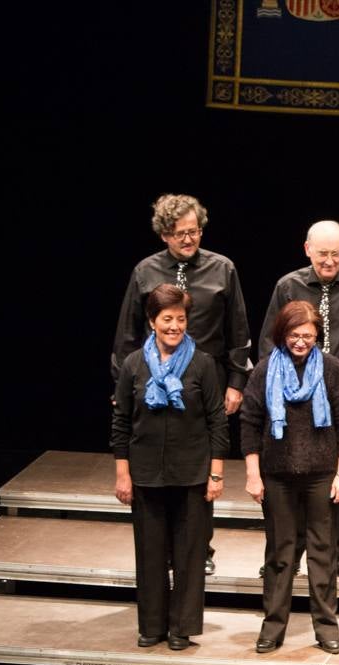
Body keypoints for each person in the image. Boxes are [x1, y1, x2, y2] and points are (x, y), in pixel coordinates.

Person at [112, 193, 252, 577]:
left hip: (203, 385)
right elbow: (127, 335)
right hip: (153, 384)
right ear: (163, 235)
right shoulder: (145, 271)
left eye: (193, 232)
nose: (187, 240)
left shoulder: (223, 269)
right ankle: (161, 549)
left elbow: (238, 332)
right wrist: (121, 386)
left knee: (200, 471)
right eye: (178, 235)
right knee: (157, 466)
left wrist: (237, 382)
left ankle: (199, 547)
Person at [259, 219, 339, 581]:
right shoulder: (289, 286)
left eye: (335, 254)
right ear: (307, 250)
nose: (329, 261)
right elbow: (269, 343)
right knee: (294, 476)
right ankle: (288, 553)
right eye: (322, 255)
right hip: (294, 400)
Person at [112, 283, 228, 650]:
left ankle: (181, 628)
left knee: (190, 556)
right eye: (167, 319)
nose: (175, 326)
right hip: (146, 474)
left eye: (180, 319)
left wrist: (216, 473)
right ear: (152, 322)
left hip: (192, 475)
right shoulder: (133, 365)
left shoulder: (202, 363)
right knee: (149, 554)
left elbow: (217, 422)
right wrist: (122, 473)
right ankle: (152, 625)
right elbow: (121, 424)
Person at [241, 301, 339, 654]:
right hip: (276, 475)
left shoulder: (332, 368)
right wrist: (252, 474)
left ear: (317, 335)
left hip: (321, 475)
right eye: (294, 335)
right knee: (280, 553)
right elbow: (249, 421)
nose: (301, 341)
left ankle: (326, 627)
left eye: (308, 335)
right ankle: (272, 626)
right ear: (282, 334)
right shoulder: (264, 369)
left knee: (323, 553)